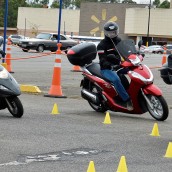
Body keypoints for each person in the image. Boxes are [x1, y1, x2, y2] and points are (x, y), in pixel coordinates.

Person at [97, 21, 133, 110]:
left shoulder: (119, 41)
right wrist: (109, 65)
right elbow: (102, 59)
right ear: (106, 33)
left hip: (119, 65)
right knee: (116, 80)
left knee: (134, 72)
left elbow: (126, 51)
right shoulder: (101, 45)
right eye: (110, 33)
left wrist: (135, 55)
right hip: (107, 68)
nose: (112, 34)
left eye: (114, 32)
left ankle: (134, 94)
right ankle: (127, 100)